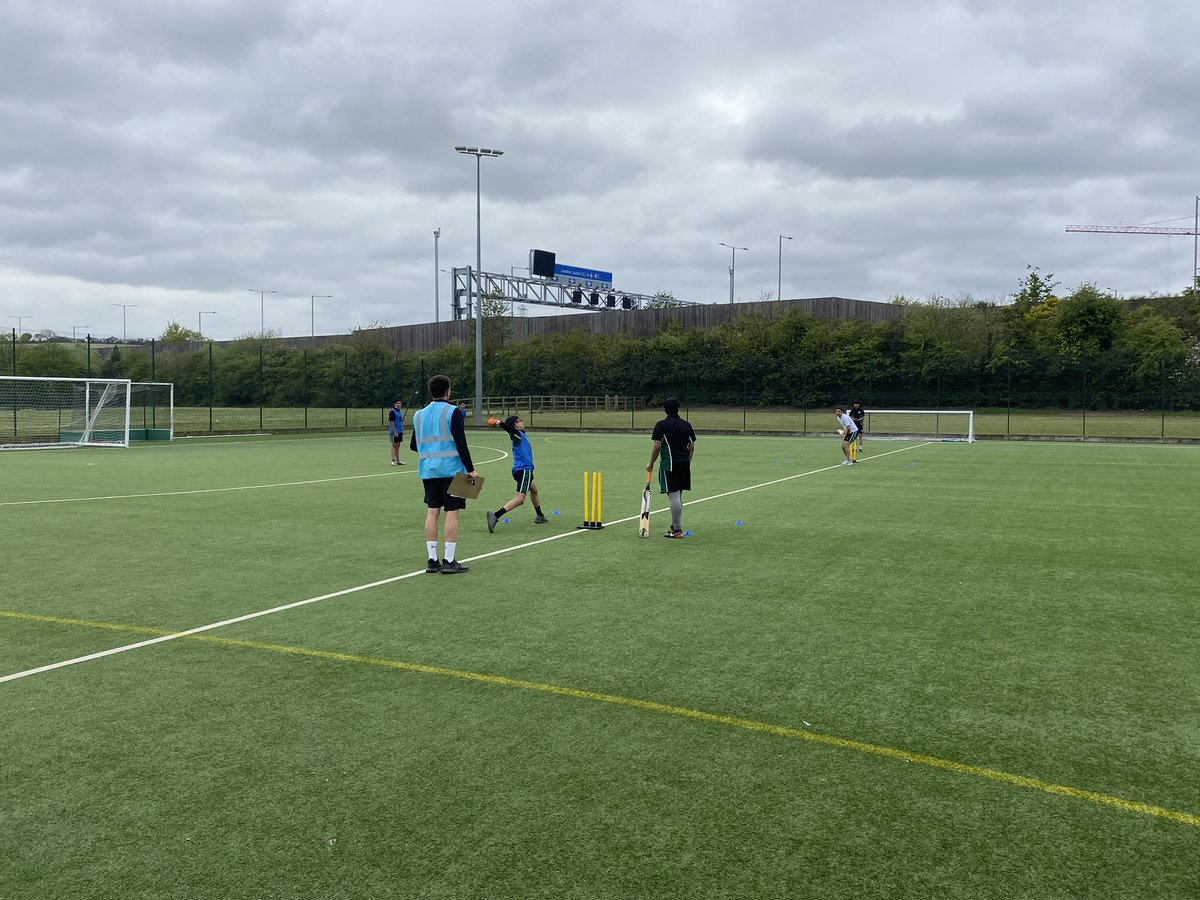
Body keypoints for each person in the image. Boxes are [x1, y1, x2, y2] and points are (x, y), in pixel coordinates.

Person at [409, 375, 478, 574]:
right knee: (452, 512)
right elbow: (461, 444)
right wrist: (471, 469)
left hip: (428, 470)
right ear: (448, 391)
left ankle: (432, 559)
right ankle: (449, 560)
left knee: (432, 511)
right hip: (451, 470)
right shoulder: (453, 412)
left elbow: (414, 445)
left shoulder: (419, 415)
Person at [485, 415, 549, 532]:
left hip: (523, 470)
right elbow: (510, 431)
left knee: (534, 490)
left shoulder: (521, 435)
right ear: (515, 424)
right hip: (524, 470)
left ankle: (539, 515)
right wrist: (500, 423)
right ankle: (495, 515)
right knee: (520, 499)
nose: (522, 422)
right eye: (519, 421)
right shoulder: (517, 435)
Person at [647, 398, 696, 538]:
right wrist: (688, 461)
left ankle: (676, 530)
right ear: (677, 409)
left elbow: (657, 446)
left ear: (665, 410)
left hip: (670, 465)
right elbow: (691, 446)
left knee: (673, 496)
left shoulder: (661, 425)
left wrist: (651, 463)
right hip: (684, 464)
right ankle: (675, 527)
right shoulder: (686, 425)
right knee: (678, 496)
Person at [387, 399, 405, 466]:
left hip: (399, 431)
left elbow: (400, 421)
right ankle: (393, 460)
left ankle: (398, 460)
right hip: (394, 432)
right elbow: (392, 422)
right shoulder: (392, 412)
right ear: (394, 404)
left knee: (398, 445)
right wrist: (395, 432)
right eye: (398, 403)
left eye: (400, 403)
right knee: (394, 445)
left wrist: (402, 429)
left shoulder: (399, 412)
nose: (399, 404)